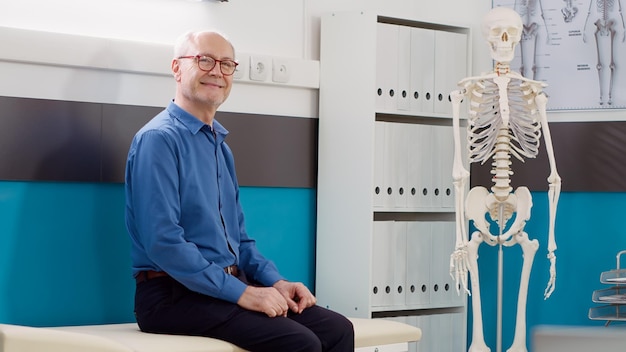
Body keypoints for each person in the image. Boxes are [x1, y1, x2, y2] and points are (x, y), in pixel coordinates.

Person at [124, 30, 355, 352]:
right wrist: (242, 293)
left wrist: (276, 282)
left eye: (226, 64)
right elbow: (163, 242)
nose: (217, 71)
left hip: (222, 287)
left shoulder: (219, 145)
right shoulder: (158, 140)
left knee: (337, 329)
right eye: (204, 60)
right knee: (297, 342)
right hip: (170, 297)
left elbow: (240, 241)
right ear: (177, 68)